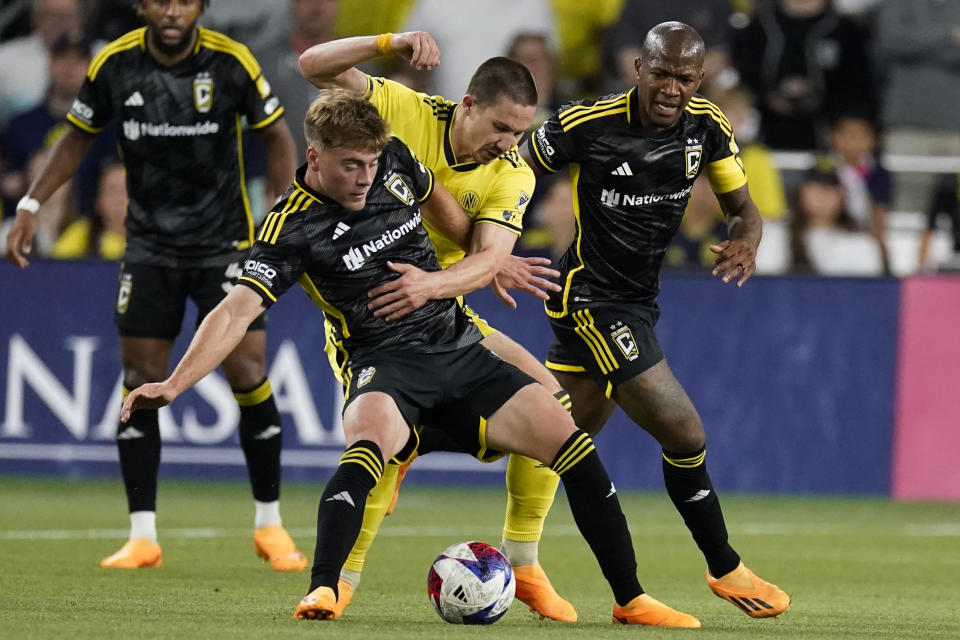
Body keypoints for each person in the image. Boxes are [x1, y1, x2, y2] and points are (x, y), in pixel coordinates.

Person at [120, 89, 702, 628]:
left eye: (372, 164)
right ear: (315, 155)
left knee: (570, 440)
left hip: (456, 343)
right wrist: (173, 385)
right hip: (383, 361)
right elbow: (233, 313)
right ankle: (325, 587)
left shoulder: (394, 159)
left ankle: (630, 598)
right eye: (352, 166)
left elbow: (443, 209)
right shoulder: (290, 226)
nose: (365, 178)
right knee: (368, 444)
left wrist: (479, 263)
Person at [4, 0, 305, 572]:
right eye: (160, 0)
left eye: (185, 1)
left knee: (248, 372)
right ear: (142, 6)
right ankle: (142, 535)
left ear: (201, 7)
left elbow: (278, 138)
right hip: (148, 247)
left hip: (225, 243)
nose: (172, 11)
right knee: (140, 378)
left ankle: (271, 525)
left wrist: (286, 217)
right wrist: (29, 203)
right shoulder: (115, 65)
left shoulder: (231, 62)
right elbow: (75, 138)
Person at [299, 32, 576, 621]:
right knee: (380, 446)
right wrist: (387, 42)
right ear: (468, 105)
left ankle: (523, 561)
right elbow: (312, 65)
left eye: (522, 134)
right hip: (375, 320)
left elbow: (484, 255)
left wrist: (476, 265)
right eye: (502, 129)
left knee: (555, 400)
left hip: (448, 313)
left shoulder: (513, 173)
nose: (510, 145)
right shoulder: (405, 109)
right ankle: (340, 581)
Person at [520, 21, 791, 618]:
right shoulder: (583, 125)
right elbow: (510, 171)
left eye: (686, 78)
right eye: (662, 73)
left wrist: (746, 241)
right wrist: (489, 247)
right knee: (684, 430)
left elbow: (743, 209)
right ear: (638, 69)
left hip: (638, 300)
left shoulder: (708, 128)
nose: (673, 88)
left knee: (557, 437)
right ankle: (725, 566)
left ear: (702, 79)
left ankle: (423, 444)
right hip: (589, 299)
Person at [787, 165, 884, 276]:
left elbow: (871, 288)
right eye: (815, 187)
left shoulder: (861, 242)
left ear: (842, 196)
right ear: (801, 193)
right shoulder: (779, 237)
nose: (822, 196)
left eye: (830, 189)